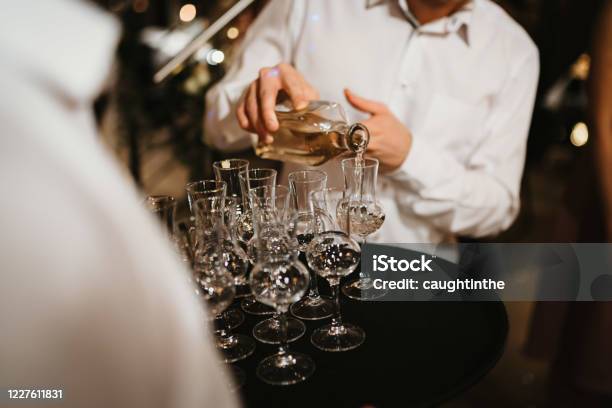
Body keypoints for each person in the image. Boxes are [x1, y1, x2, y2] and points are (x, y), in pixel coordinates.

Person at [0, 1, 237, 407]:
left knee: (386, 326)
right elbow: (223, 124)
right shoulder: (303, 9)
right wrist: (256, 98)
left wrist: (390, 161)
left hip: (379, 236)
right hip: (324, 229)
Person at [206, 0, 540, 243]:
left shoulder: (513, 51)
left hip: (413, 282)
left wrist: (411, 158)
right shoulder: (305, 4)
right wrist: (254, 104)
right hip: (297, 262)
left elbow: (497, 209)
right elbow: (215, 129)